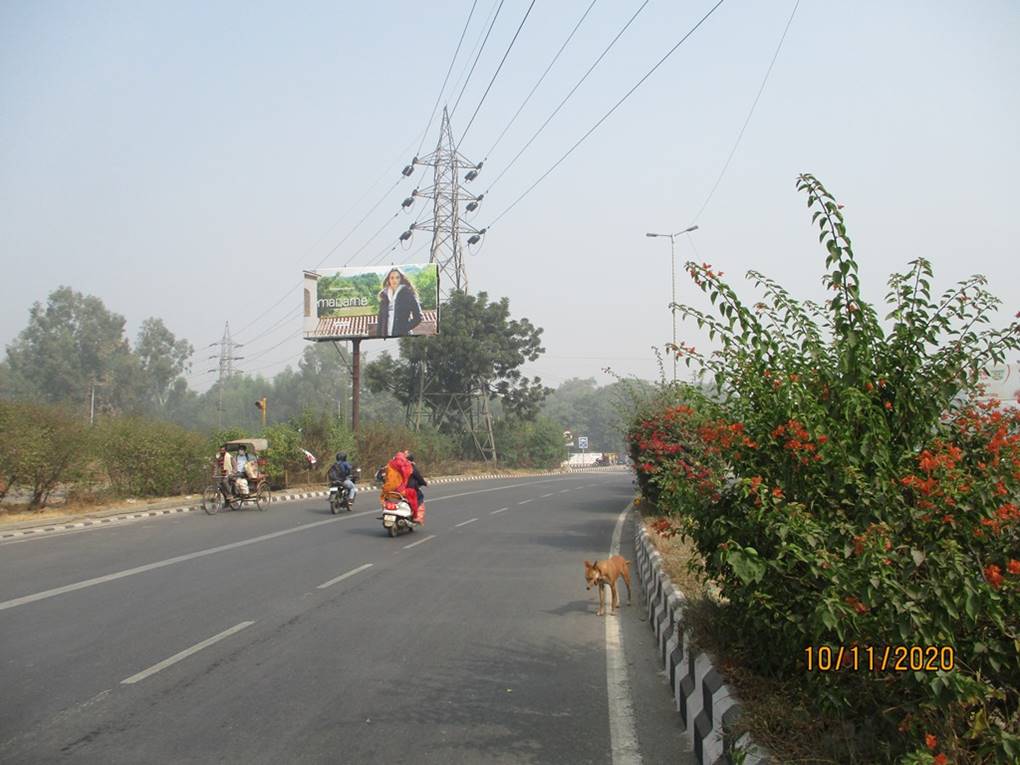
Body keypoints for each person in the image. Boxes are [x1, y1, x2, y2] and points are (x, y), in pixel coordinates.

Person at [376, 268, 423, 337]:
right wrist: (379, 337)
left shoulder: (408, 294)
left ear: (401, 279)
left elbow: (418, 317)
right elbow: (380, 320)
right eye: (392, 278)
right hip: (386, 336)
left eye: (397, 277)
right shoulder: (384, 296)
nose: (394, 280)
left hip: (403, 336)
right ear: (388, 279)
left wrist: (404, 328)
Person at [406, 452, 427, 524]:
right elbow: (418, 477)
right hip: (409, 489)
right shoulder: (411, 467)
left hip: (394, 489)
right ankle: (418, 517)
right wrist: (424, 483)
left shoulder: (394, 466)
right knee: (420, 497)